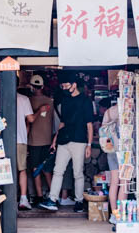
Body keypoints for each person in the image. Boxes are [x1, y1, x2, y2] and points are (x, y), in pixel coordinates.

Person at [39, 74, 93, 212]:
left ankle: (79, 201)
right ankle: (52, 199)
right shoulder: (65, 100)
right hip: (64, 140)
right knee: (58, 171)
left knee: (78, 173)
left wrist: (89, 144)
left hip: (79, 140)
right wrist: (55, 139)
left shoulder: (86, 101)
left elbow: (89, 124)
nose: (64, 88)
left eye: (66, 85)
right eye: (62, 86)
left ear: (74, 85)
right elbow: (62, 122)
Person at [26, 74, 55, 205]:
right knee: (47, 169)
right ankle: (53, 195)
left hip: (33, 141)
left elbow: (28, 120)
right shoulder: (50, 101)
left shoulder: (28, 101)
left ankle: (38, 196)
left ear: (31, 86)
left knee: (35, 169)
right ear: (43, 86)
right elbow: (54, 122)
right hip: (47, 139)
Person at [100, 98, 125, 223]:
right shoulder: (127, 110)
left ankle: (114, 214)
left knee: (114, 181)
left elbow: (103, 131)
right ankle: (121, 214)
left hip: (111, 149)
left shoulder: (109, 112)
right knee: (124, 182)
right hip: (125, 150)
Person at [16, 90, 35, 210]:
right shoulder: (23, 99)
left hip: (1, 139)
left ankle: (5, 198)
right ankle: (23, 198)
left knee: (4, 168)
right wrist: (40, 111)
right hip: (20, 139)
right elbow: (31, 119)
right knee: (21, 169)